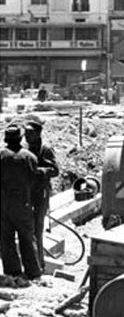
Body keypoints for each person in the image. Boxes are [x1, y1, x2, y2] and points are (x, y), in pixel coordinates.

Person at [0, 123, 42, 280]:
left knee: (6, 239)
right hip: (23, 203)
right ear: (20, 138)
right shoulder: (30, 157)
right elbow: (34, 179)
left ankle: (12, 272)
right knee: (27, 238)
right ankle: (33, 272)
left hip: (4, 205)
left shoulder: (1, 156)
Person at [23, 115, 59, 270]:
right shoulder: (25, 150)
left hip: (40, 193)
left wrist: (38, 171)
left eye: (29, 133)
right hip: (27, 193)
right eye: (25, 133)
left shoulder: (45, 150)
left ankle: (39, 264)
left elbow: (55, 170)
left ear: (38, 133)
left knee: (37, 229)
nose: (26, 135)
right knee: (27, 229)